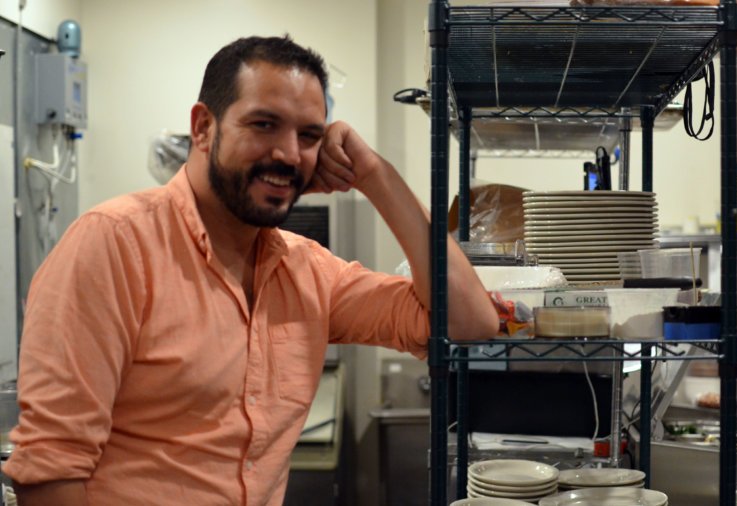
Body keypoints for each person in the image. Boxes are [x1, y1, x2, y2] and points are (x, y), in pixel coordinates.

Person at [5, 35, 498, 505]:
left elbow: (470, 322)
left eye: (309, 136)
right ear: (202, 128)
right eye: (264, 124)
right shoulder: (113, 245)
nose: (288, 154)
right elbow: (51, 472)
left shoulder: (307, 271)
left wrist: (375, 175)